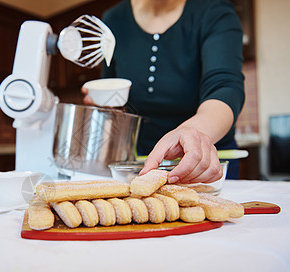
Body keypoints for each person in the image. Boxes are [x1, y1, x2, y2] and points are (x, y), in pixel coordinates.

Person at [83, 0, 244, 184]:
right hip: (140, 163)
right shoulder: (113, 19)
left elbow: (224, 86)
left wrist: (192, 132)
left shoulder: (214, 12)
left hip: (204, 164)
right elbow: (113, 87)